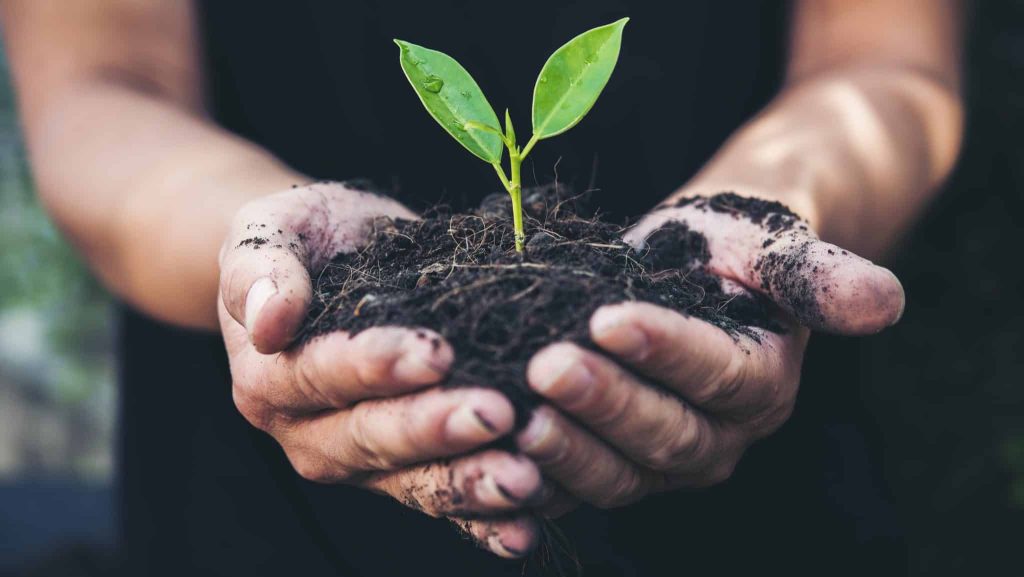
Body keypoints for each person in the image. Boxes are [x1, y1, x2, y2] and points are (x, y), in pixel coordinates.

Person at [0, 0, 962, 575]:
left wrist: (781, 211)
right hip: (255, 523)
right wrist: (253, 241)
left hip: (757, 522)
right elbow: (105, 83)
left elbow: (882, 58)